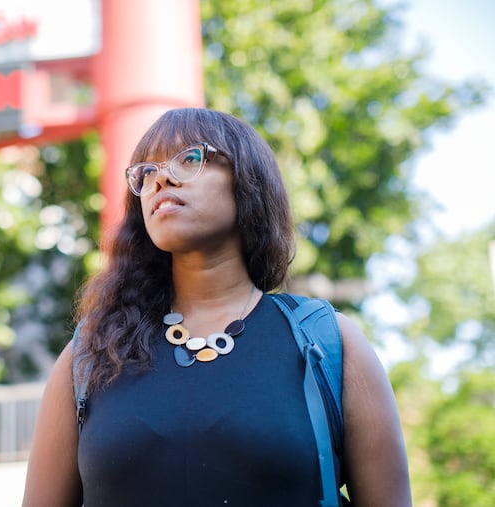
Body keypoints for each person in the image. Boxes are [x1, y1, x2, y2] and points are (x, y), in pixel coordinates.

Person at [22, 108, 412, 506]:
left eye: (190, 158)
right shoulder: (91, 353)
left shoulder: (327, 343)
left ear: (248, 181)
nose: (162, 179)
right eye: (146, 173)